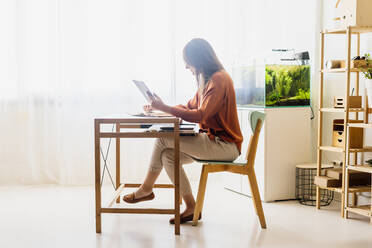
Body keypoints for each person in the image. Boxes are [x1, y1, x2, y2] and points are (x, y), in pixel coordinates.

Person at [123, 38, 243, 224]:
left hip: (225, 146)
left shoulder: (219, 80)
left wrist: (165, 108)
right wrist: (160, 108)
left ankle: (146, 189)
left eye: (188, 62)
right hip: (215, 142)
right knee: (168, 156)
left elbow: (200, 115)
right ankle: (191, 206)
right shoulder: (209, 80)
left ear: (198, 59)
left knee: (162, 139)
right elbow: (189, 106)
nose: (187, 67)